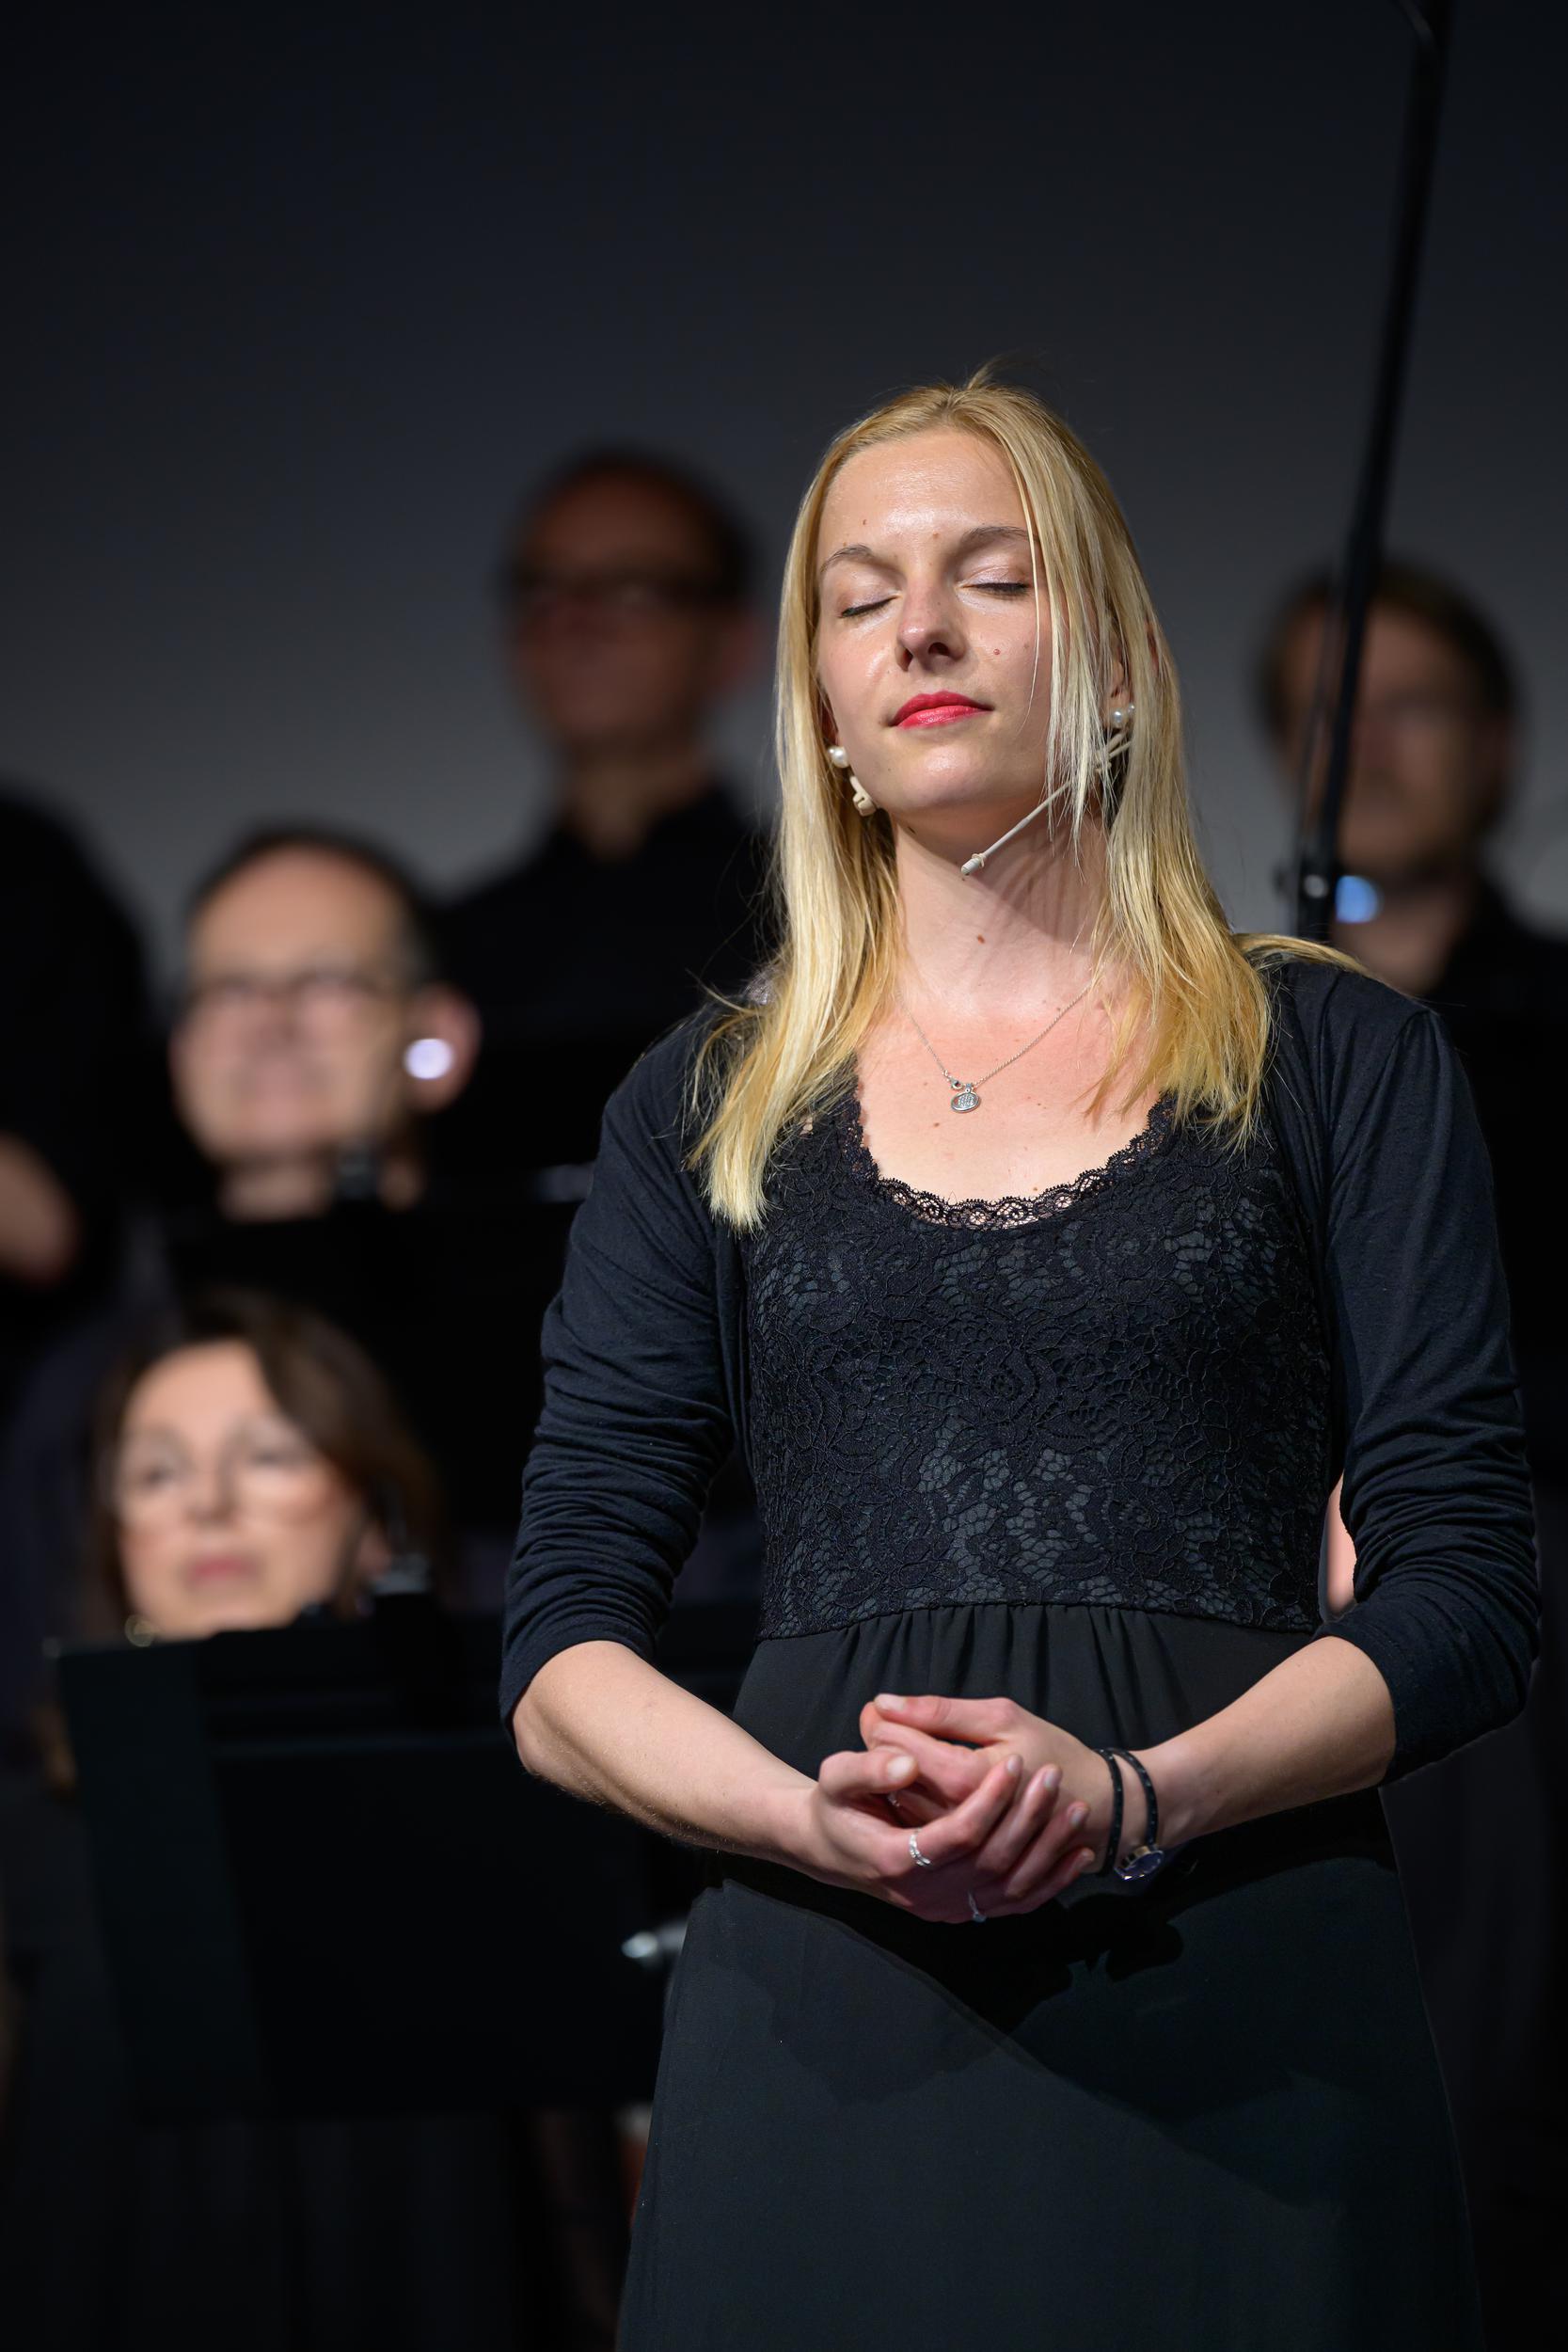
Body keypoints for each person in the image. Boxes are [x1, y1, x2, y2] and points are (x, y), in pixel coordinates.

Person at [499, 379, 1537, 2348]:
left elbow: (1467, 1592)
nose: (920, 627)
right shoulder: (701, 1105)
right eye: (859, 594)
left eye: (992, 577)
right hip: (825, 1994)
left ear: (1119, 665)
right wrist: (801, 1821)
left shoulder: (1335, 1057)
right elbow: (557, 1652)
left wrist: (1139, 1794)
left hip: (1235, 1973)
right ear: (819, 696)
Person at [0, 1293, 620, 2351]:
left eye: (267, 1457)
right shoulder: (26, 1838)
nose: (208, 1506)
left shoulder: (495, 1799)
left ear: (375, 1521)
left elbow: (573, 2207)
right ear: (116, 1544)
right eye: (157, 1474)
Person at [1260, 563, 1568, 2346]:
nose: (1362, 745)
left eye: (1410, 703)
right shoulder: (1224, 1041)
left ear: (1497, 744)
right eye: (1325, 709)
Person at [441, 448, 770, 1176]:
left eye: (631, 589)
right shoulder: (445, 951)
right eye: (545, 589)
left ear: (732, 642)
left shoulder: (822, 918)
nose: (576, 622)